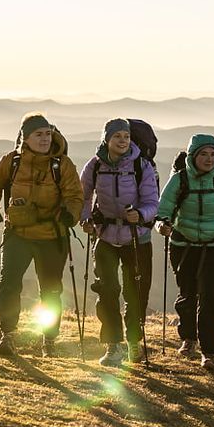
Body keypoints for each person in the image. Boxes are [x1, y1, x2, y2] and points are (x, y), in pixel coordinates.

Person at [0, 113, 83, 357]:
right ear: (25, 138)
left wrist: (71, 214)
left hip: (51, 235)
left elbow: (75, 195)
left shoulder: (62, 165)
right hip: (17, 234)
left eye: (48, 133)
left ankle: (49, 340)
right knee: (9, 284)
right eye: (39, 134)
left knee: (50, 290)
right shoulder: (12, 161)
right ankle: (8, 335)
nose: (45, 139)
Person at [156, 134, 214, 370]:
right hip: (183, 246)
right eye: (203, 154)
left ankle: (209, 353)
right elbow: (163, 207)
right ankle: (189, 338)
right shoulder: (179, 180)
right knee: (187, 293)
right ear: (192, 156)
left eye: (213, 154)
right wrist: (162, 224)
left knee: (207, 297)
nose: (209, 159)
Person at [80, 119, 160, 366]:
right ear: (107, 139)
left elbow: (152, 202)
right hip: (104, 235)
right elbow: (83, 196)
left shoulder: (141, 166)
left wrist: (141, 215)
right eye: (118, 137)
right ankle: (114, 346)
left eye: (126, 136)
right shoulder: (94, 165)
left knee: (135, 293)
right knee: (107, 291)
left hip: (136, 237)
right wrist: (84, 219)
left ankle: (134, 342)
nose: (123, 141)